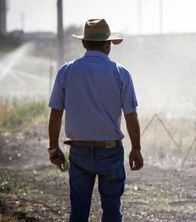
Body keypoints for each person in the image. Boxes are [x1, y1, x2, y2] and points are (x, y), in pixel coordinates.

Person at [47, 18, 144, 222]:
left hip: (79, 151)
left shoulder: (66, 71)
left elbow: (56, 112)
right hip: (110, 151)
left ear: (84, 43)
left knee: (79, 212)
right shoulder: (121, 73)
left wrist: (53, 147)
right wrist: (136, 148)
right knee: (111, 213)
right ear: (108, 44)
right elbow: (130, 115)